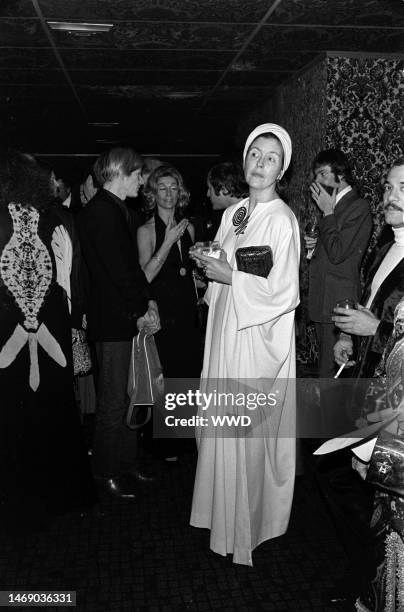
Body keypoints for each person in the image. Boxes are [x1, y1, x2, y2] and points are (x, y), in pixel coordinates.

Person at [189, 123, 300, 566]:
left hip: (253, 342)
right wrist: (210, 260)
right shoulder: (236, 212)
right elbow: (228, 260)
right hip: (225, 334)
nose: (260, 163)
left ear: (281, 170)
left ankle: (247, 528)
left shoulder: (282, 221)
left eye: (271, 158)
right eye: (255, 153)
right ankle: (219, 515)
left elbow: (283, 292)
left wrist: (229, 276)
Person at [314, 158, 404, 604]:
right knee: (339, 473)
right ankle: (364, 570)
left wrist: (378, 332)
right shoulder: (388, 245)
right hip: (366, 374)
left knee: (368, 487)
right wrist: (350, 336)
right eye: (389, 186)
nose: (391, 195)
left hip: (395, 396)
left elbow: (390, 325)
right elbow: (372, 302)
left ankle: (368, 578)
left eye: (402, 187)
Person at [0, 149, 96, 531]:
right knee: (54, 413)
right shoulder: (54, 217)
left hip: (8, 336)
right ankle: (60, 495)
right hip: (51, 330)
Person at [77, 147, 160, 499]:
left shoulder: (113, 209)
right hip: (113, 321)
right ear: (120, 172)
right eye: (138, 174)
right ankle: (105, 472)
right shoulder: (102, 212)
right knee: (113, 400)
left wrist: (145, 304)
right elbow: (120, 273)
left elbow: (126, 272)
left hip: (120, 318)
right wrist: (143, 307)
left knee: (129, 395)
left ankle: (124, 464)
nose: (142, 181)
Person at [304, 149, 372, 378]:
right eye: (316, 176)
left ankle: (332, 415)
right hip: (324, 300)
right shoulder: (332, 207)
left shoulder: (358, 206)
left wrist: (327, 212)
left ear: (340, 174)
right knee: (327, 373)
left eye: (322, 174)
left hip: (339, 302)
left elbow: (338, 253)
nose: (317, 181)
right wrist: (313, 247)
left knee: (331, 377)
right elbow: (329, 251)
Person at [137, 164, 202, 378]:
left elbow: (189, 273)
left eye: (173, 188)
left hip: (188, 313)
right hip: (163, 314)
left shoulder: (188, 228)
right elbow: (144, 277)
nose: (168, 193)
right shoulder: (145, 231)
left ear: (180, 192)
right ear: (153, 194)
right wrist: (168, 242)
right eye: (162, 188)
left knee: (191, 375)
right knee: (167, 378)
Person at [205, 161, 248, 240]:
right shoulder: (228, 215)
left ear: (224, 188)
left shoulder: (253, 214)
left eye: (210, 188)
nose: (208, 194)